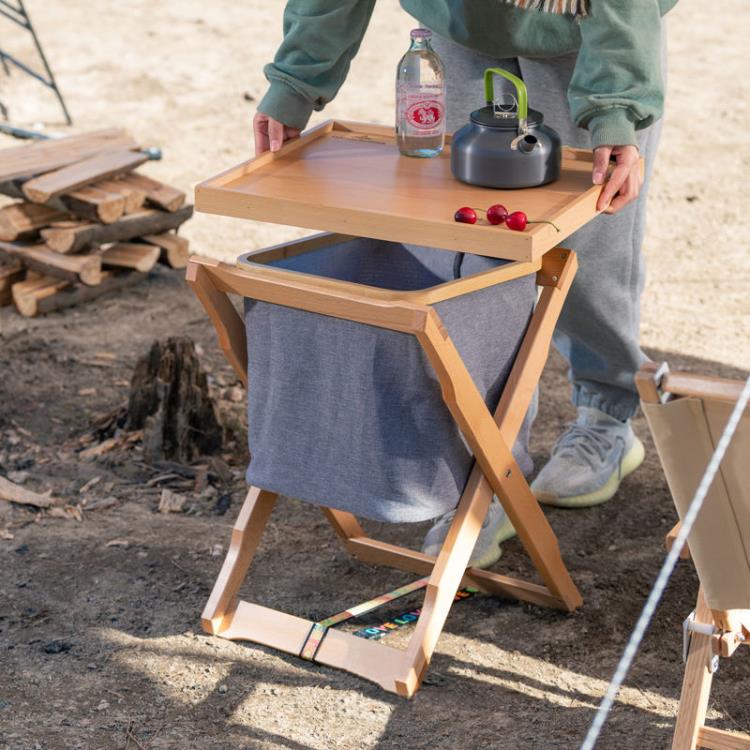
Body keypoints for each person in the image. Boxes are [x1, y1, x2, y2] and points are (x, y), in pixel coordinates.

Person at [252, 0, 675, 567]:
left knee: (588, 242)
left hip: (593, 31)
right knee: (472, 246)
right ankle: (491, 475)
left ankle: (605, 415)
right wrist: (297, 82)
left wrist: (616, 113)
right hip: (462, 28)